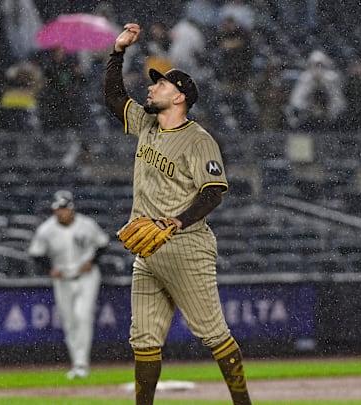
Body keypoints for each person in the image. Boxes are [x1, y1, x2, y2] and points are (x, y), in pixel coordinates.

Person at [104, 23, 252, 405]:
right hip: (148, 249)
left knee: (214, 334)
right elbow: (114, 98)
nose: (151, 88)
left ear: (179, 96)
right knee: (144, 341)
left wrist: (176, 221)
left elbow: (213, 192)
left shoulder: (199, 140)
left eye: (160, 84)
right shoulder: (147, 125)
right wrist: (117, 52)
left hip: (186, 244)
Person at [27, 190, 110, 380]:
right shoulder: (46, 229)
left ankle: (82, 363)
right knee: (69, 322)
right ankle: (78, 363)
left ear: (71, 208)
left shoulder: (86, 225)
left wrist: (93, 261)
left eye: (64, 208)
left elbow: (103, 244)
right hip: (63, 279)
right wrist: (49, 269)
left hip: (86, 276)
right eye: (58, 209)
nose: (61, 212)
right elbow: (36, 254)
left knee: (83, 316)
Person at [285, 49, 346, 132]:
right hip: (307, 118)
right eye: (315, 65)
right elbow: (295, 100)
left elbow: (338, 101)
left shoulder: (331, 79)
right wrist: (309, 107)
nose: (318, 68)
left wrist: (328, 111)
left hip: (327, 120)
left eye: (320, 65)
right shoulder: (305, 79)